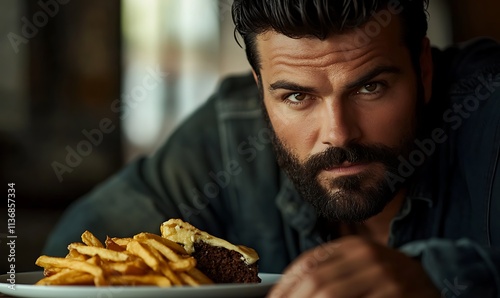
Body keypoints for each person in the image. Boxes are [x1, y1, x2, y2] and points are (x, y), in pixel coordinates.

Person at [44, 0, 500, 296]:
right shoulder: (229, 133)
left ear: (422, 68)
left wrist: (436, 280)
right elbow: (73, 259)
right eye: (297, 97)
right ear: (260, 89)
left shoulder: (489, 111)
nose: (338, 135)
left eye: (371, 88)